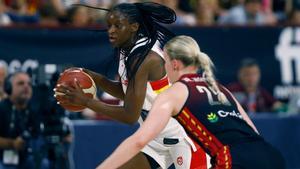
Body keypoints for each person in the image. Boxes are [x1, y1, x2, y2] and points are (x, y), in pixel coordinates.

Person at [55, 2, 208, 169]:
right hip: (156, 136)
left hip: (184, 136)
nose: (111, 30)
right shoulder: (126, 50)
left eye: (117, 26)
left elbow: (130, 116)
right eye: (109, 25)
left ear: (134, 27)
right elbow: (127, 93)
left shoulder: (144, 58)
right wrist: (94, 77)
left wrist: (87, 102)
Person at [96, 35, 285, 169]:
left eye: (165, 62)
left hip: (233, 159)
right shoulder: (221, 88)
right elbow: (253, 131)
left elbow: (138, 140)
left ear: (174, 64)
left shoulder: (175, 92)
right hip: (270, 156)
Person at [0, 72, 48, 169]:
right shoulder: (2, 108)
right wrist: (12, 144)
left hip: (27, 157)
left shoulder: (34, 110)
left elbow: (39, 136)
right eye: (20, 83)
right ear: (9, 88)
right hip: (3, 158)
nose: (26, 87)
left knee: (44, 163)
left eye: (29, 84)